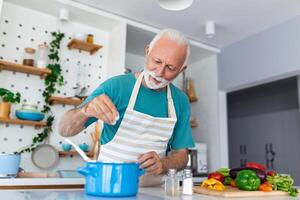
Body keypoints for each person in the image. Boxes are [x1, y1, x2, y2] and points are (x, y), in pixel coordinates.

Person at [59, 28, 195, 185]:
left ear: (182, 69)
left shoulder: (180, 101)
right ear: (147, 51)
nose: (159, 72)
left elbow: (181, 154)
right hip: (108, 187)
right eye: (157, 61)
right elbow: (65, 130)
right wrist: (85, 111)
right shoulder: (116, 86)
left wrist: (164, 164)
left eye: (170, 68)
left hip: (152, 192)